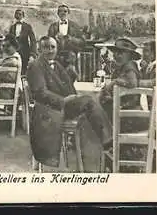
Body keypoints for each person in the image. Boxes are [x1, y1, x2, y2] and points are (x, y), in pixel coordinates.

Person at [27, 36, 112, 172]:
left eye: (53, 47)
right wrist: (64, 100)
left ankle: (96, 155)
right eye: (46, 47)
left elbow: (67, 87)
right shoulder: (35, 66)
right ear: (39, 49)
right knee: (89, 102)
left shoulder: (57, 65)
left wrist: (70, 77)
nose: (50, 50)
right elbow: (41, 93)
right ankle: (108, 142)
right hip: (50, 109)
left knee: (92, 106)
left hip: (62, 105)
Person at [99, 38, 144, 126]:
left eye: (120, 53)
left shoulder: (130, 66)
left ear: (130, 55)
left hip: (130, 116)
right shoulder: (122, 67)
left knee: (95, 117)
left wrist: (114, 82)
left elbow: (133, 83)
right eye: (115, 52)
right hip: (123, 113)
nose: (116, 55)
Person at [47, 5, 85, 71]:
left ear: (68, 13)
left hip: (71, 56)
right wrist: (55, 39)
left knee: (70, 77)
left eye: (65, 11)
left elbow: (82, 41)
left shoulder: (74, 26)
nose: (63, 13)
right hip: (57, 56)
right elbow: (48, 42)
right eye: (60, 11)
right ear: (58, 14)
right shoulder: (53, 26)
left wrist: (72, 39)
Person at [8, 9, 37, 74]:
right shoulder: (12, 27)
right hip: (14, 52)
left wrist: (33, 54)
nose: (18, 16)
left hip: (25, 52)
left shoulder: (27, 27)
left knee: (24, 71)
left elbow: (33, 40)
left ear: (23, 16)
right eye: (16, 14)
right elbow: (9, 40)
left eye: (20, 14)